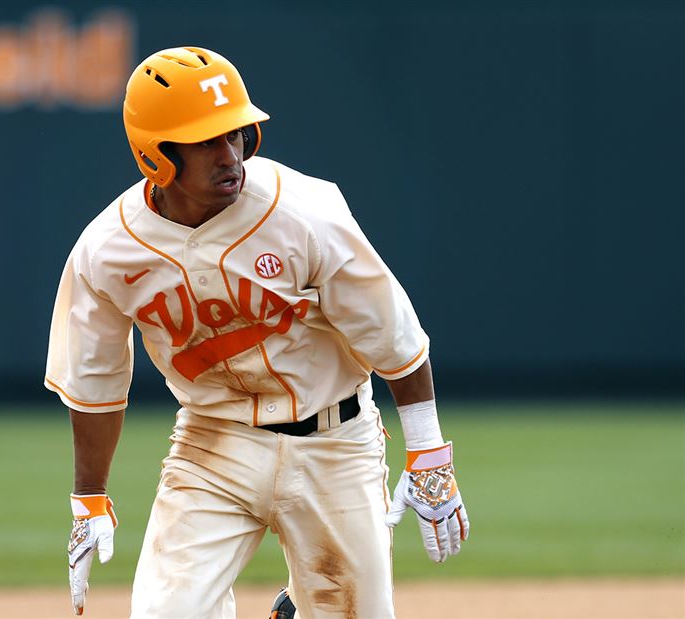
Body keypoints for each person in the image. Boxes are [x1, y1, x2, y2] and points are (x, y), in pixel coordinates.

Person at [44, 46, 469, 619]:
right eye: (207, 140)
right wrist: (89, 497)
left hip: (335, 441)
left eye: (237, 134)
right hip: (213, 444)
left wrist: (429, 451)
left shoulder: (304, 210)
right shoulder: (107, 250)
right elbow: (95, 382)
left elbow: (394, 335)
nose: (230, 155)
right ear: (156, 156)